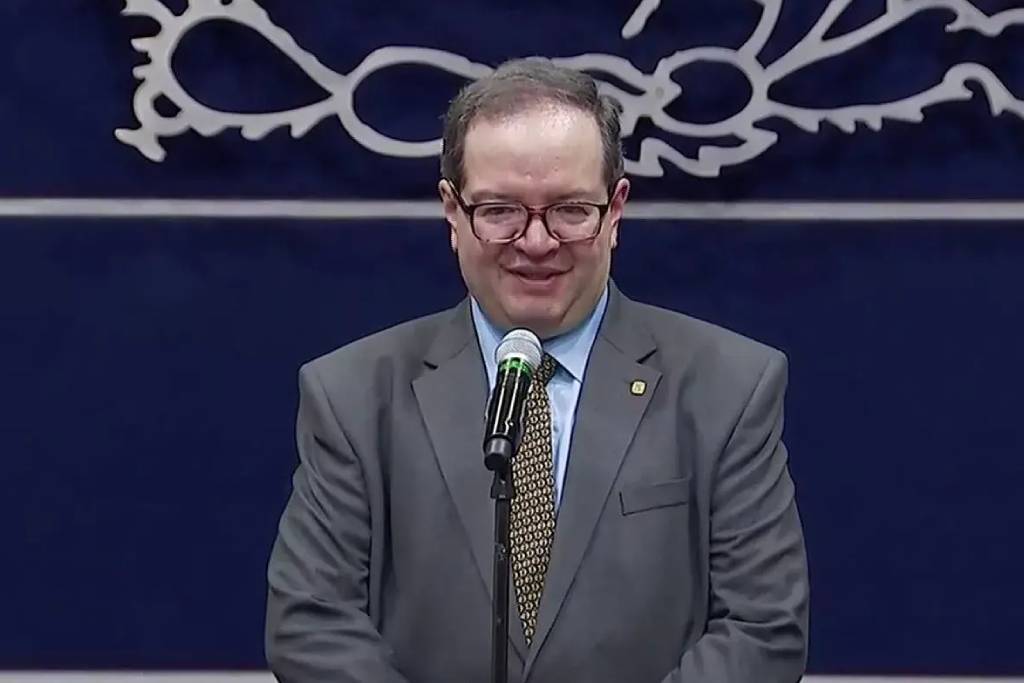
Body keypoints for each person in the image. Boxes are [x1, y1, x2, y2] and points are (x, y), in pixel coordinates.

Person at [265, 57, 809, 683]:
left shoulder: (729, 387)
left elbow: (763, 629)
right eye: (500, 211)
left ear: (615, 210)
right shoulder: (352, 396)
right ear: (452, 212)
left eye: (570, 209)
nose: (537, 242)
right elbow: (311, 624)